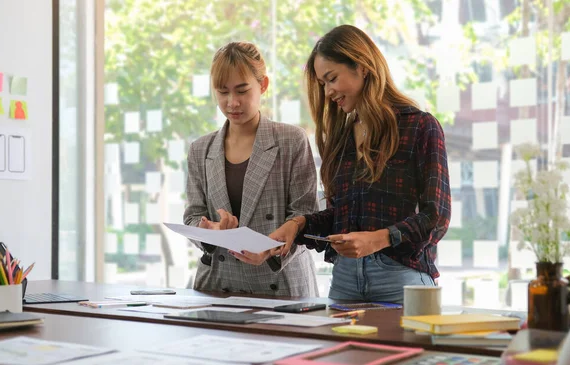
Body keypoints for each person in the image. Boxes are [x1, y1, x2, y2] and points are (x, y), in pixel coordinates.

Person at [270, 25, 451, 304]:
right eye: (322, 84)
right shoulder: (341, 139)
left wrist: (378, 239)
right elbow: (340, 217)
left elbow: (436, 217)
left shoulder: (420, 126)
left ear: (362, 66)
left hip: (402, 280)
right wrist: (298, 225)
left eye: (331, 79)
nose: (328, 92)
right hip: (344, 282)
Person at [183, 42, 319, 297]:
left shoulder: (291, 140)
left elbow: (306, 214)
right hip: (218, 285)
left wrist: (269, 251)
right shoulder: (200, 149)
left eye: (242, 90)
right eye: (222, 92)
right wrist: (210, 231)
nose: (232, 102)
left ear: (263, 85)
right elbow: (192, 215)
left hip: (281, 283)